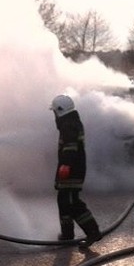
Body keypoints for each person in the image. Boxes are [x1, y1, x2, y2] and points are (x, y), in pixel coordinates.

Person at [50, 94, 102, 247]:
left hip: (72, 169)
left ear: (59, 111)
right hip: (72, 168)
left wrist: (66, 165)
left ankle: (93, 231)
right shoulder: (71, 122)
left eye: (54, 112)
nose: (54, 115)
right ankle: (67, 234)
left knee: (72, 203)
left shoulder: (69, 124)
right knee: (64, 201)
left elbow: (71, 146)